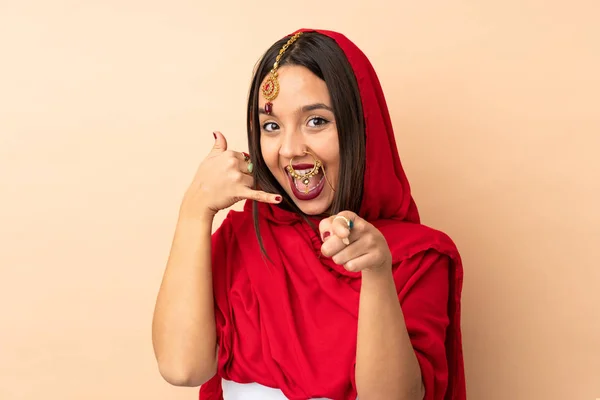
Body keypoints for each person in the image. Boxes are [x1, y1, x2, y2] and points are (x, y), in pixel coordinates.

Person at [152, 28, 466, 400]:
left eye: (316, 121)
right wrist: (195, 210)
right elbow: (181, 367)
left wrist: (377, 272)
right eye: (271, 126)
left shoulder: (418, 257)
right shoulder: (242, 238)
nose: (289, 149)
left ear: (360, 128)